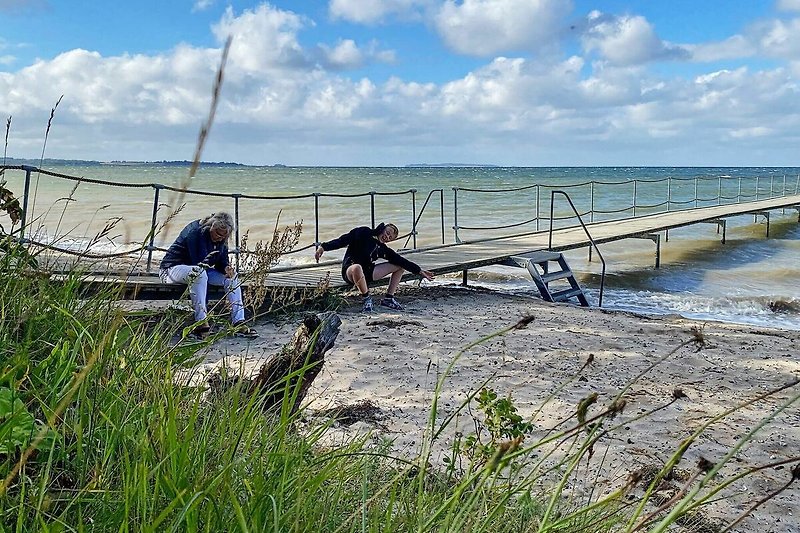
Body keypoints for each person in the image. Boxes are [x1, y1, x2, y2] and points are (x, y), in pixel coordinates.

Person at [159, 212, 257, 338]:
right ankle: (201, 322)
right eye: (218, 234)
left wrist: (226, 268)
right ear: (211, 227)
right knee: (199, 273)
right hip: (172, 269)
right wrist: (204, 304)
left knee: (232, 277)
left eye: (224, 236)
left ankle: (238, 321)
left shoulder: (222, 238)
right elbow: (198, 264)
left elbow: (221, 260)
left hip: (201, 272)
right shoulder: (195, 232)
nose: (220, 238)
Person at [314, 222, 435, 312]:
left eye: (390, 238)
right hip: (350, 271)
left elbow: (401, 260)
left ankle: (388, 298)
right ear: (382, 229)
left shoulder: (383, 249)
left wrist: (419, 271)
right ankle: (367, 299)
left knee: (399, 266)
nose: (387, 237)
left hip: (368, 272)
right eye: (387, 233)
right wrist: (323, 247)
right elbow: (342, 240)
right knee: (357, 268)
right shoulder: (363, 232)